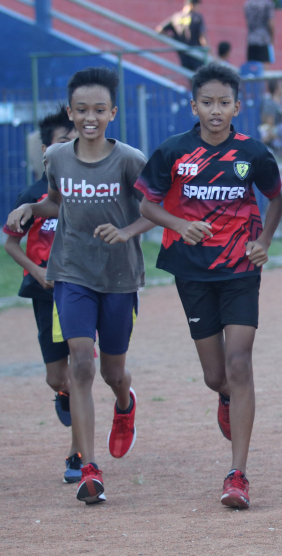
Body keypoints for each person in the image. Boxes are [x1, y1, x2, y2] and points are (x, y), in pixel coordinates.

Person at [136, 63, 282, 508]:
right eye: (207, 103)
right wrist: (181, 225)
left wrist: (264, 240)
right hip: (193, 271)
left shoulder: (253, 153)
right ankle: (224, 396)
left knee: (240, 364)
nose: (215, 111)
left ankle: (237, 475)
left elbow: (276, 199)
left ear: (237, 106)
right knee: (216, 375)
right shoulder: (173, 152)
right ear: (194, 104)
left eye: (224, 103)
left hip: (240, 269)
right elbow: (147, 205)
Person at [6, 67, 153, 505]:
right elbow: (56, 200)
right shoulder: (58, 157)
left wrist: (126, 232)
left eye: (99, 110)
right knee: (81, 365)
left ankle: (124, 403)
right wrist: (31, 208)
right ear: (71, 112)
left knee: (110, 371)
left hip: (119, 277)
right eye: (82, 110)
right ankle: (89, 468)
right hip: (70, 273)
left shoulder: (129, 159)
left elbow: (155, 211)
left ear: (113, 112)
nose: (91, 117)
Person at [3, 106, 79, 484]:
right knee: (57, 377)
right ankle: (63, 394)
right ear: (47, 150)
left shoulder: (86, 189)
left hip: (81, 291)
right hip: (43, 292)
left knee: (81, 367)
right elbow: (11, 243)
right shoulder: (31, 196)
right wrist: (37, 271)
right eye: (63, 142)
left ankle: (78, 453)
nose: (70, 148)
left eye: (74, 142)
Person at [156, 0, 208, 71]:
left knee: (190, 76)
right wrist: (210, 53)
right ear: (192, 5)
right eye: (198, 6)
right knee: (201, 77)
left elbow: (160, 30)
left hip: (183, 54)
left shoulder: (176, 17)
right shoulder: (197, 17)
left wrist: (172, 39)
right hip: (196, 53)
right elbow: (202, 37)